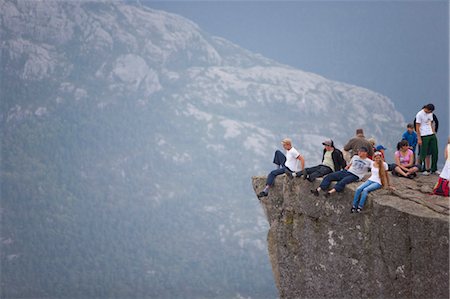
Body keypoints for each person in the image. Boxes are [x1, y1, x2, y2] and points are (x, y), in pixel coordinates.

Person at [415, 103, 438, 175]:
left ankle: (434, 169)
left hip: (431, 134)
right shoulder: (419, 114)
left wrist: (433, 131)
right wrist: (419, 138)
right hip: (423, 135)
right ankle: (423, 169)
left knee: (435, 151)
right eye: (430, 111)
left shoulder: (430, 114)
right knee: (424, 152)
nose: (431, 113)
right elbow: (417, 127)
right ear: (427, 109)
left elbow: (431, 122)